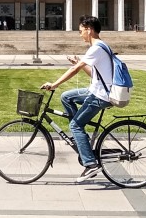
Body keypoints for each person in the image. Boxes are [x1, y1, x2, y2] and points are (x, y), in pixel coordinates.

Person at [41, 15, 114, 183]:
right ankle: (82, 139)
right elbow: (93, 73)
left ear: (89, 29)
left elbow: (74, 70)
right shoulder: (100, 46)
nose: (80, 34)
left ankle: (90, 164)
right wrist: (80, 62)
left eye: (81, 31)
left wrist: (54, 84)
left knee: (75, 125)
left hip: (100, 95)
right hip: (96, 89)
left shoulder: (96, 48)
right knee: (66, 97)